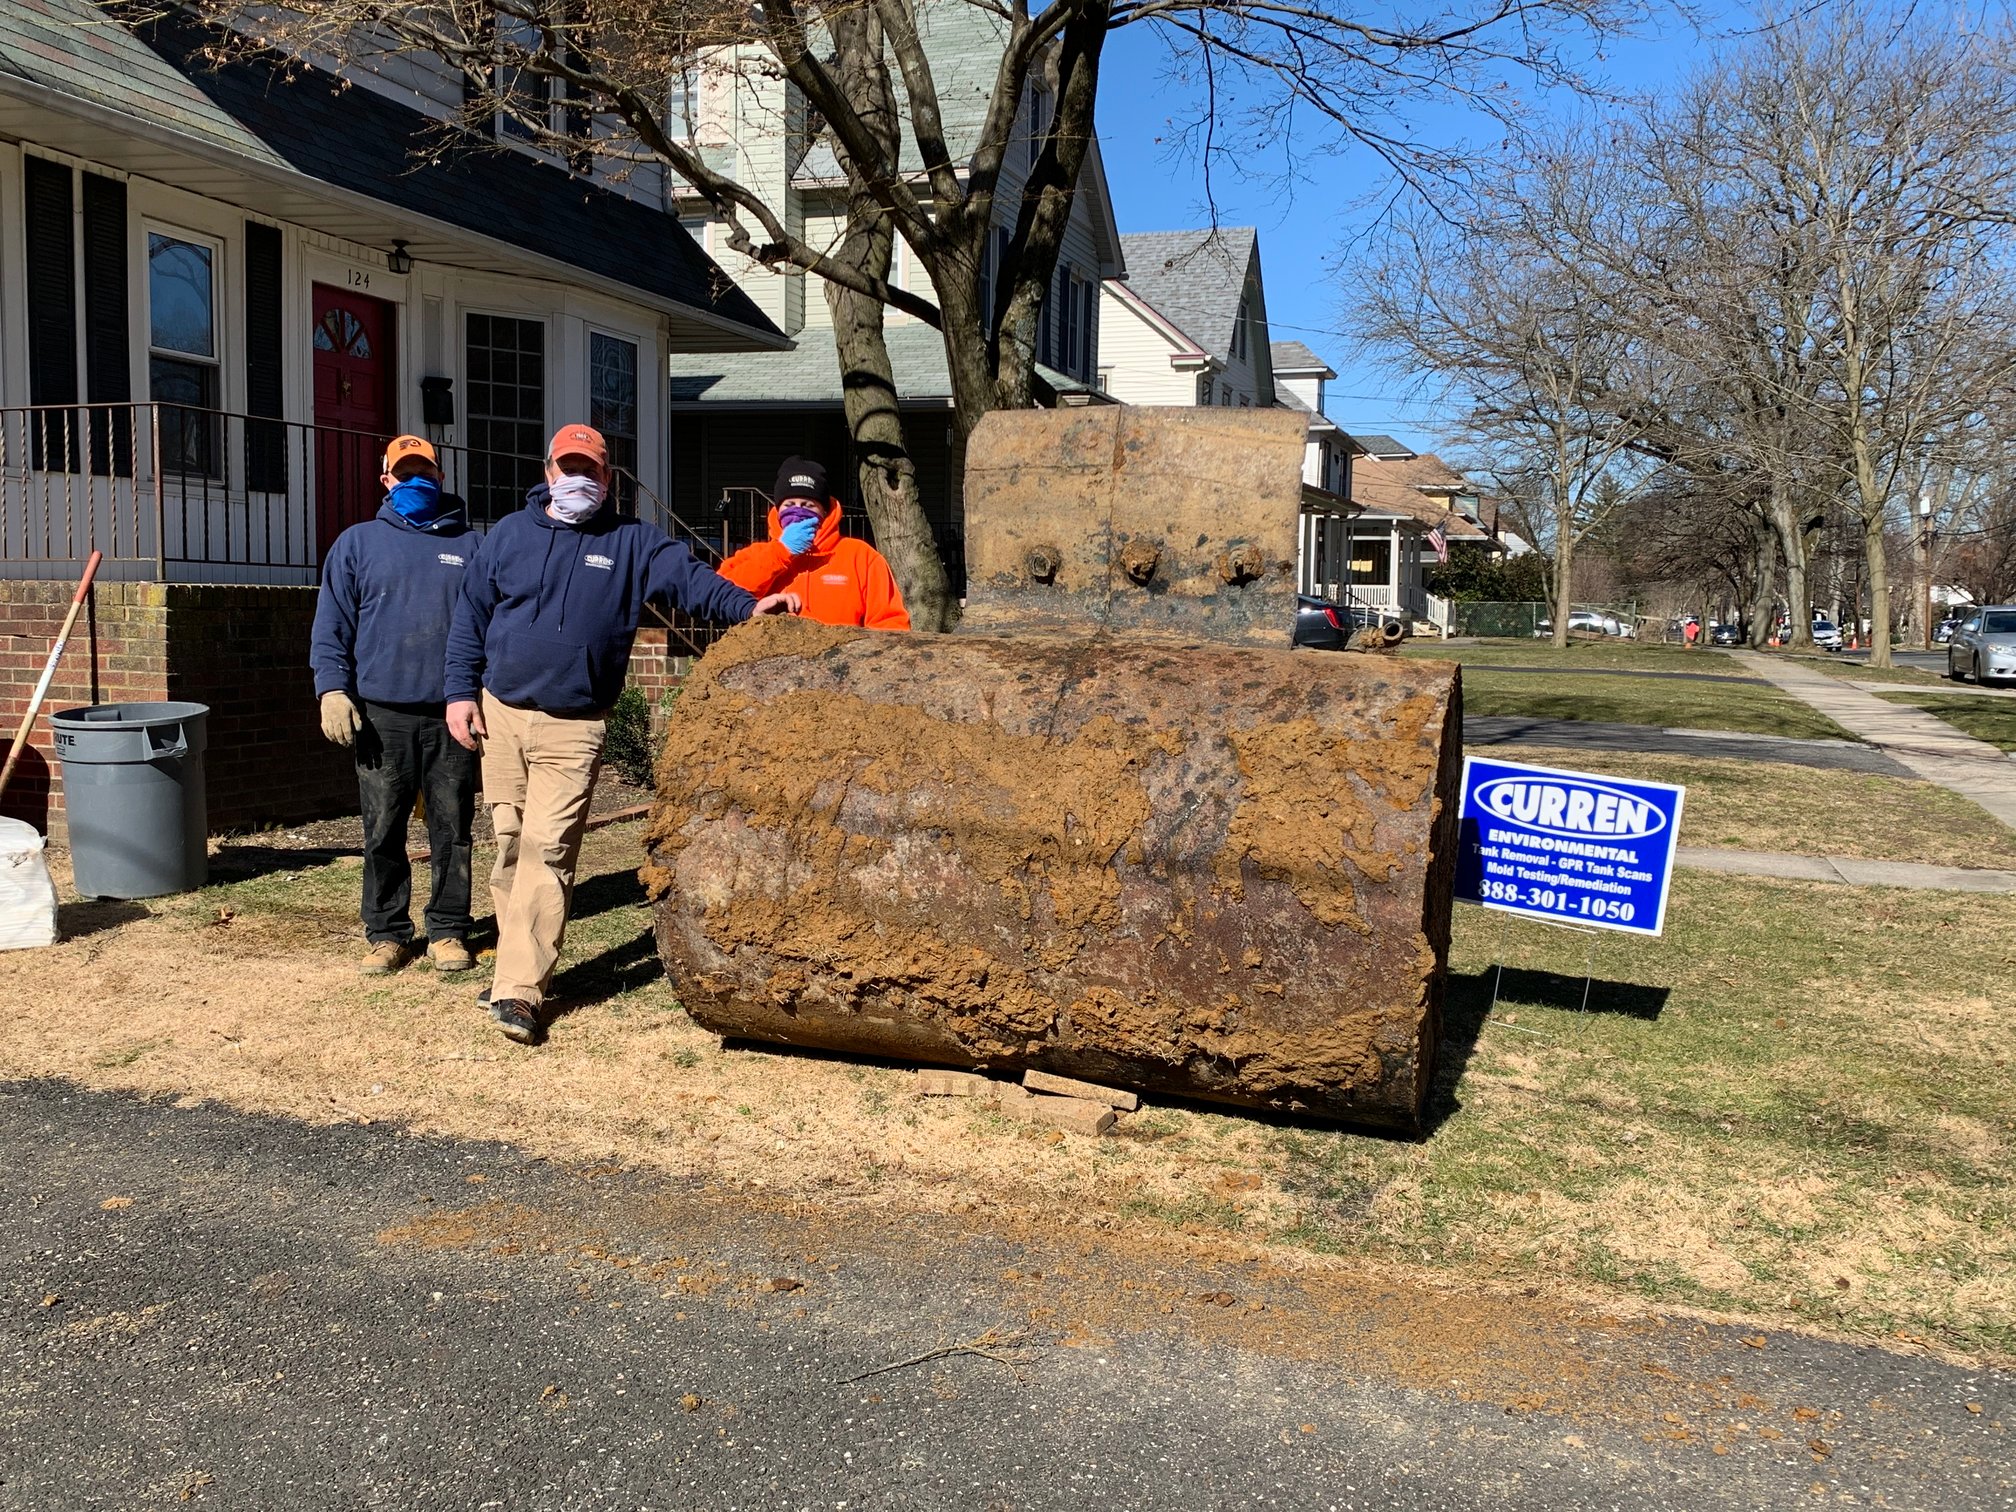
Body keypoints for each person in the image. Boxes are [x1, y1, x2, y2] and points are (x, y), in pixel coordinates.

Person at [443, 424, 799, 1045]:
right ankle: (514, 968)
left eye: (592, 469)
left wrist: (747, 607)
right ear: (548, 470)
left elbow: (693, 582)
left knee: (547, 849)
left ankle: (521, 990)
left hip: (573, 723)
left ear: (607, 479)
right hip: (500, 713)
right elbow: (470, 617)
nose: (579, 477)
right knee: (508, 844)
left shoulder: (633, 543)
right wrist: (457, 694)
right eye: (567, 465)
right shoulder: (507, 536)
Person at [309, 434, 479, 976]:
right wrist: (331, 688)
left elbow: (490, 628)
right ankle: (387, 932)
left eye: (423, 471)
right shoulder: (357, 544)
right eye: (404, 474)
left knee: (451, 826)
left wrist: (484, 694)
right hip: (381, 713)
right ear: (386, 481)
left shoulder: (472, 547)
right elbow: (331, 625)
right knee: (382, 827)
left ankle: (449, 930)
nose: (415, 482)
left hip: (452, 712)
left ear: (441, 478)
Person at [718, 456, 911, 629]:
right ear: (777, 511)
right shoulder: (758, 554)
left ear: (825, 511)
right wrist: (781, 552)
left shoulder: (861, 556)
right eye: (789, 505)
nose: (798, 512)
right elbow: (719, 594)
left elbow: (890, 622)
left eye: (808, 505)